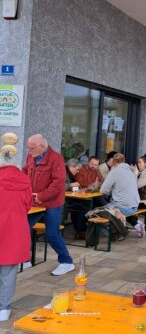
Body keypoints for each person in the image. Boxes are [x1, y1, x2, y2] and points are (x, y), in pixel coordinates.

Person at [24, 134, 75, 275]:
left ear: (41, 146)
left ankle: (66, 262)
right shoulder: (31, 156)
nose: (29, 151)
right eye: (28, 148)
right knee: (23, 227)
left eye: (31, 148)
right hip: (35, 202)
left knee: (52, 234)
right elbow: (25, 172)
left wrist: (41, 196)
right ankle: (25, 259)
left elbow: (58, 184)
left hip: (52, 203)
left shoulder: (56, 158)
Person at [0, 136, 33, 321]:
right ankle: (4, 309)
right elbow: (28, 205)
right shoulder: (24, 180)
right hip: (15, 229)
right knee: (9, 271)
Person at [100, 153, 144, 237]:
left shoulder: (114, 172)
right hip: (135, 205)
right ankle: (137, 224)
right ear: (124, 160)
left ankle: (112, 233)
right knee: (120, 202)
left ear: (113, 162)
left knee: (102, 207)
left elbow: (103, 190)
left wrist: (111, 190)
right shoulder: (131, 170)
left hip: (124, 207)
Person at [65, 158, 88, 239]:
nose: (78, 171)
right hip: (63, 200)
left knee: (84, 205)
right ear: (71, 167)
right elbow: (59, 186)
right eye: (77, 169)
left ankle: (80, 230)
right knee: (83, 207)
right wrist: (71, 185)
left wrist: (79, 189)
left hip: (69, 198)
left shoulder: (69, 173)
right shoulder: (63, 172)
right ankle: (80, 231)